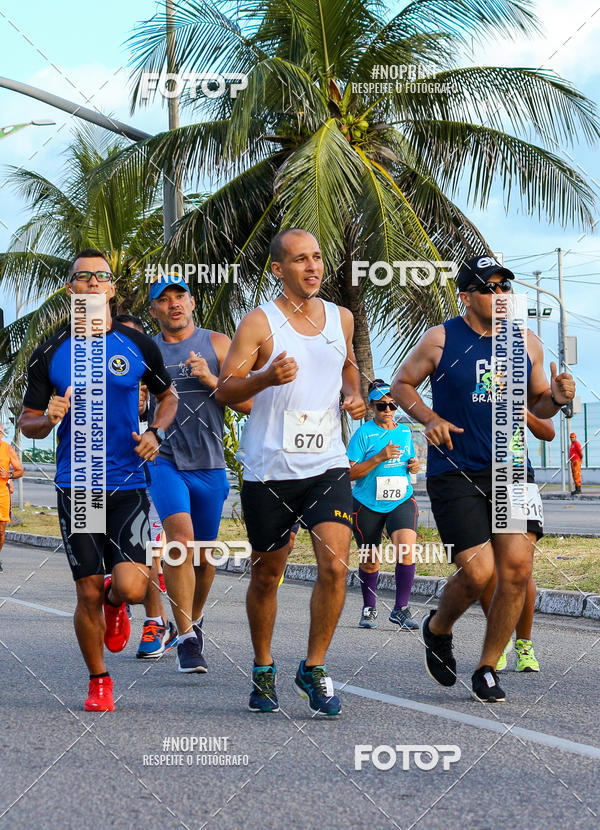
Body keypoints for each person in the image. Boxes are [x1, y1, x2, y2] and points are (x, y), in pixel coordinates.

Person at [392, 255, 575, 702]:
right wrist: (429, 418)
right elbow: (402, 385)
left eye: (504, 288)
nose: (499, 296)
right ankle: (437, 629)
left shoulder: (526, 342)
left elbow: (540, 407)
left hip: (512, 469)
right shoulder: (441, 338)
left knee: (517, 569)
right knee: (478, 573)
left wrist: (556, 396)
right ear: (466, 296)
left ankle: (488, 666)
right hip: (456, 470)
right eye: (489, 288)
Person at [216, 228, 366, 717]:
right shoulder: (260, 323)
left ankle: (315, 667)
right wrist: (264, 377)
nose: (313, 267)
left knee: (334, 564)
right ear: (279, 269)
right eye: (300, 260)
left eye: (318, 258)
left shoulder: (341, 318)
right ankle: (263, 666)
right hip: (269, 470)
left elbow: (347, 368)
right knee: (268, 575)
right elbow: (225, 390)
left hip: (327, 464)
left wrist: (352, 393)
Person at [19, 249, 177, 711]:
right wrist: (46, 420)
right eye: (82, 278)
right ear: (71, 290)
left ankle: (116, 603)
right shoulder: (50, 351)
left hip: (128, 483)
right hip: (78, 482)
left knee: (129, 587)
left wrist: (156, 431)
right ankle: (99, 680)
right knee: (86, 588)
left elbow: (168, 398)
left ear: (110, 289)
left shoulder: (136, 345)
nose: (91, 284)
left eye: (100, 277)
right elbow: (28, 421)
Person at [146, 274, 252, 674]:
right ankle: (186, 637)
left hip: (209, 464)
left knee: (206, 557)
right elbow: (138, 408)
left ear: (192, 303)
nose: (173, 304)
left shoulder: (218, 343)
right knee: (181, 540)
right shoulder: (147, 352)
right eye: (164, 299)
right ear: (154, 309)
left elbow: (250, 404)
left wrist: (212, 381)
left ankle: (194, 617)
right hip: (164, 460)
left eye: (180, 296)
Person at [113, 313, 177, 659]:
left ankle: (157, 621)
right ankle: (116, 600)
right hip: (100, 482)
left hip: (148, 480)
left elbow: (170, 401)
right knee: (113, 572)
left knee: (152, 550)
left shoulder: (156, 380)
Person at [480, 410, 555, 673]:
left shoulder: (520, 380)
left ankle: (524, 644)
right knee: (486, 569)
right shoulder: (464, 377)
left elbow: (548, 432)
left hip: (516, 476)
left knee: (521, 569)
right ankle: (498, 641)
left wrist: (523, 412)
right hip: (474, 478)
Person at [347, 380, 420, 630]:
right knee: (370, 560)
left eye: (392, 405)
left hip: (400, 499)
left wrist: (414, 466)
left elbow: (409, 460)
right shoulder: (363, 434)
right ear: (372, 407)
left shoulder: (405, 432)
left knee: (406, 549)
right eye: (382, 406)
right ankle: (369, 608)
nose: (388, 410)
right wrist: (379, 457)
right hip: (367, 503)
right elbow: (350, 473)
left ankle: (401, 609)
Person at [0, 423, 24, 571]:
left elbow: (20, 470)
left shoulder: (7, 449)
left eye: (0, 431)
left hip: (2, 494)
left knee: (1, 531)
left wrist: (8, 475)